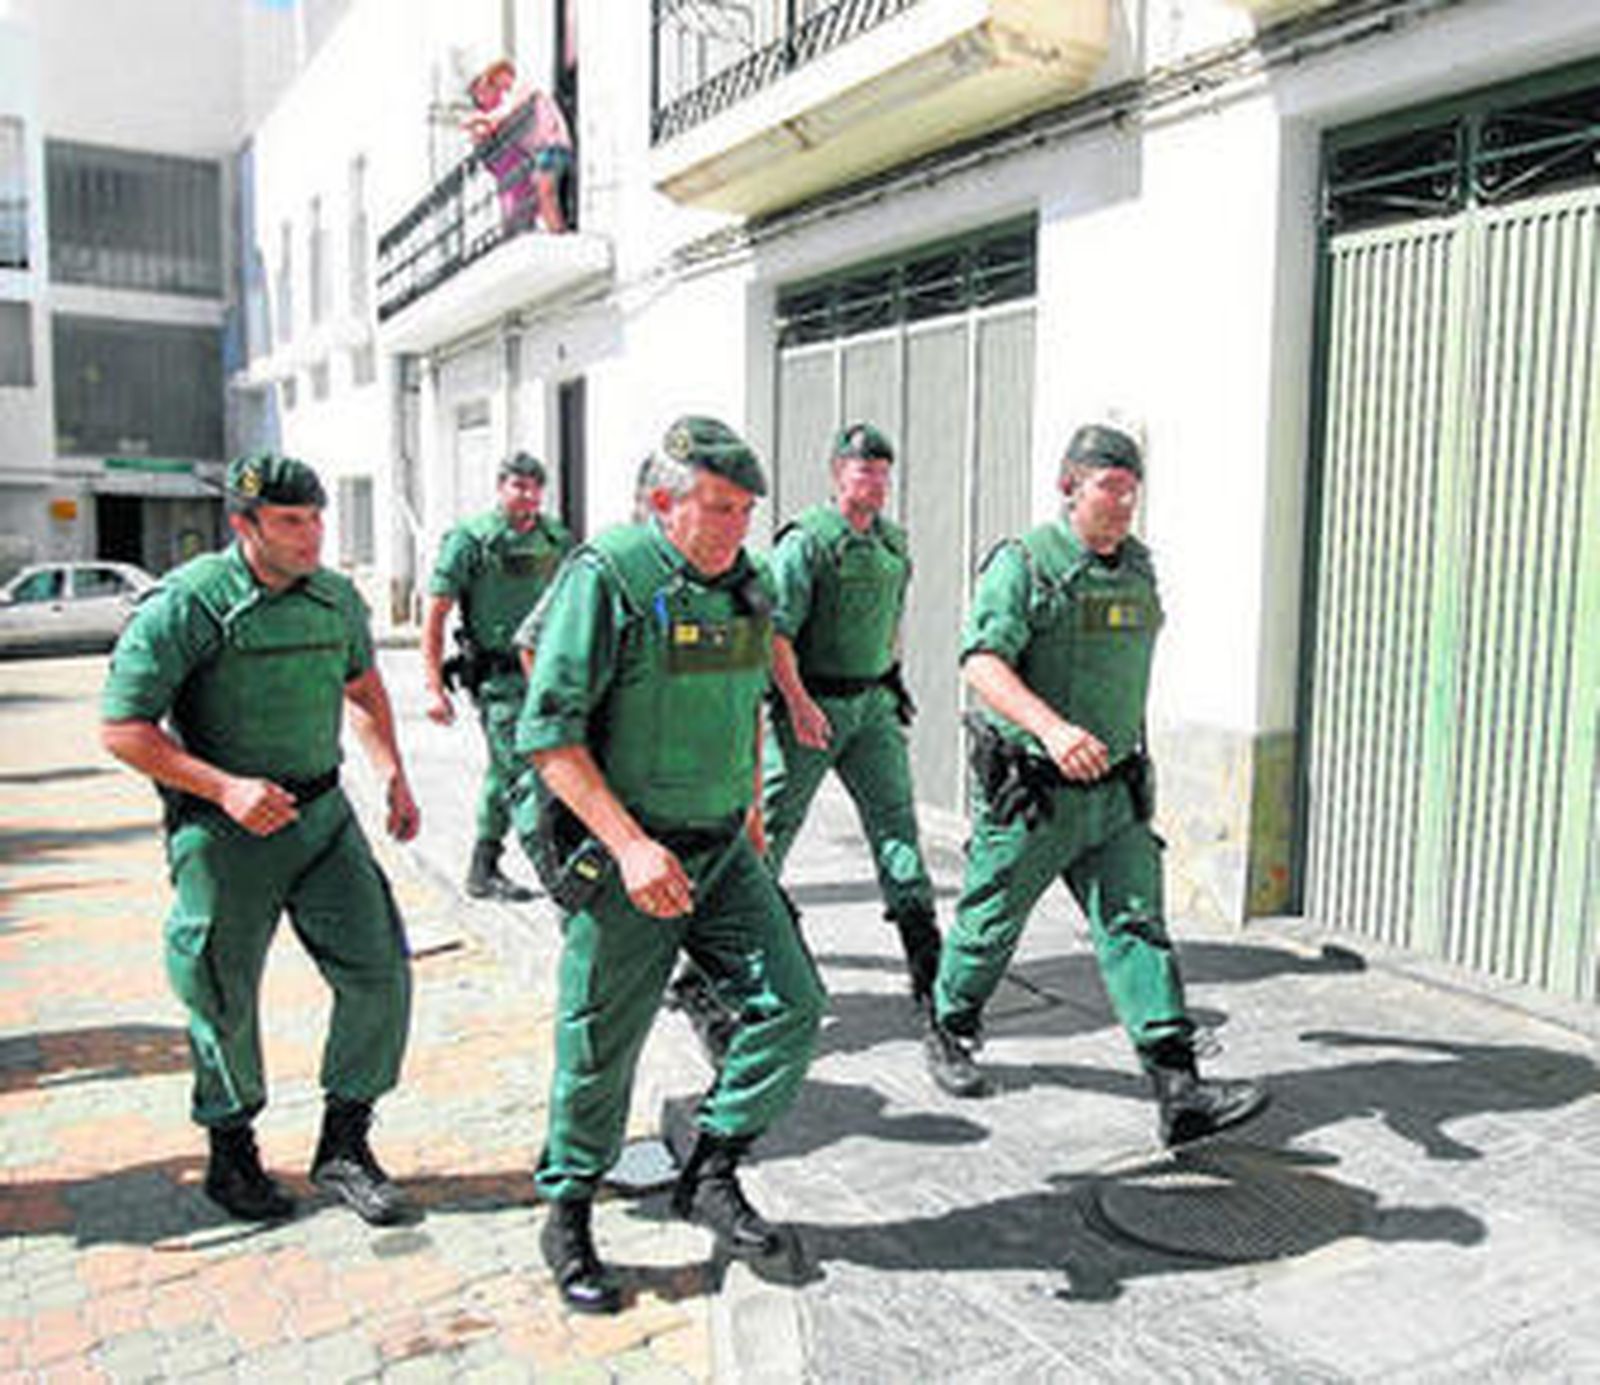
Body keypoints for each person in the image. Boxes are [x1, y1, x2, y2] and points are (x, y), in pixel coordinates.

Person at [514, 416, 825, 1315]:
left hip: (724, 845)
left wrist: (756, 818)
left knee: (794, 1006)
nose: (735, 524)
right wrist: (625, 842)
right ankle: (567, 1214)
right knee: (600, 1044)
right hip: (630, 854)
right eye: (717, 506)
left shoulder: (750, 588)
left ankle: (711, 1169)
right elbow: (550, 733)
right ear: (663, 502)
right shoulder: (608, 574)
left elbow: (748, 706)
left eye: (746, 508)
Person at [923, 423, 1269, 1148]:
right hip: (1036, 795)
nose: (1123, 503)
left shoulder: (1137, 568)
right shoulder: (1024, 564)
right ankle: (950, 1026)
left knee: (1138, 928)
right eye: (1109, 486)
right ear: (1069, 486)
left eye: (1131, 490)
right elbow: (982, 663)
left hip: (1113, 796)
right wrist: (1050, 728)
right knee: (989, 923)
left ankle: (1179, 1090)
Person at [100, 452, 418, 1225]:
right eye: (289, 521)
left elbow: (363, 685)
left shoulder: (335, 599)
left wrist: (392, 773)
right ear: (244, 525)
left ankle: (345, 1144)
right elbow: (123, 729)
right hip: (224, 828)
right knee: (220, 991)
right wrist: (224, 788)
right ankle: (231, 1151)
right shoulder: (189, 605)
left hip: (321, 816)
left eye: (315, 519)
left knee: (380, 970)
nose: (310, 535)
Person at [761, 423, 939, 999]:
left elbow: (889, 619)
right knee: (769, 828)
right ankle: (711, 961)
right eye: (865, 470)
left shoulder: (893, 542)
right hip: (812, 708)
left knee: (898, 826)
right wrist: (797, 703)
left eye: (884, 471)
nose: (877, 481)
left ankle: (926, 961)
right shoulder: (806, 541)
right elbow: (774, 632)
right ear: (839, 474)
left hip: (873, 709)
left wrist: (891, 679)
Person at [422, 451, 573, 902]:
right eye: (517, 486)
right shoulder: (472, 541)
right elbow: (435, 614)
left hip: (545, 674)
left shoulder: (555, 538)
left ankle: (482, 866)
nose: (526, 495)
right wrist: (434, 688)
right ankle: (559, 875)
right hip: (498, 679)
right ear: (501, 488)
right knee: (525, 774)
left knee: (503, 769)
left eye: (534, 486)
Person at [463, 57, 572, 234]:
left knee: (545, 192)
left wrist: (483, 120)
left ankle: (558, 234)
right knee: (542, 193)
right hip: (543, 149)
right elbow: (495, 123)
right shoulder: (511, 99)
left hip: (551, 145)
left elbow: (505, 113)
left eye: (495, 81)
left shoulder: (524, 88)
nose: (498, 86)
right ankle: (555, 231)